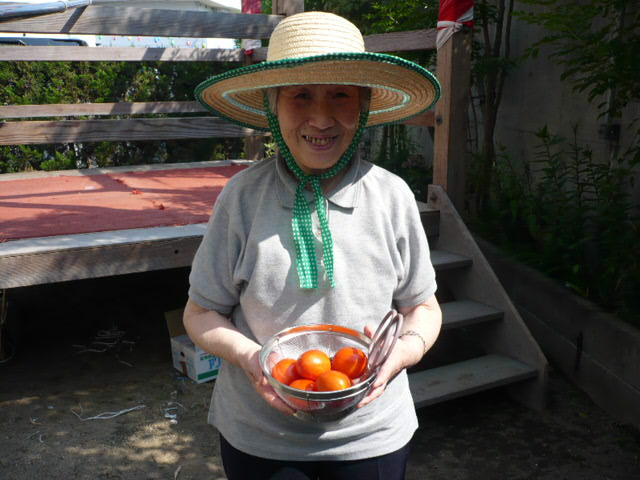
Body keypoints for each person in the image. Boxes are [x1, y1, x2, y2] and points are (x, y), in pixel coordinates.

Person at [184, 11, 443, 480]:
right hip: (260, 438)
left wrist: (403, 353)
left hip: (372, 437)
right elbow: (200, 313)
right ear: (272, 106)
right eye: (300, 95)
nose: (321, 117)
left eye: (340, 95)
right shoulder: (241, 199)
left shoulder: (392, 196)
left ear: (363, 104)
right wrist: (249, 357)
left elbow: (424, 307)